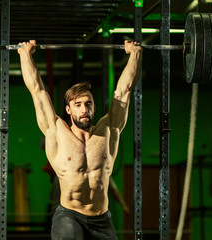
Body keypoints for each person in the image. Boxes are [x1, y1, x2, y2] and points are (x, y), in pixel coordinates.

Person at [18, 40, 142, 240]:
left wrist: (134, 54)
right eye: (77, 105)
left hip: (101, 218)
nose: (84, 109)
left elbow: (124, 91)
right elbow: (37, 92)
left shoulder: (109, 129)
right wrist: (25, 54)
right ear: (69, 110)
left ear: (94, 106)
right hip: (69, 216)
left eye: (88, 104)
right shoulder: (56, 131)